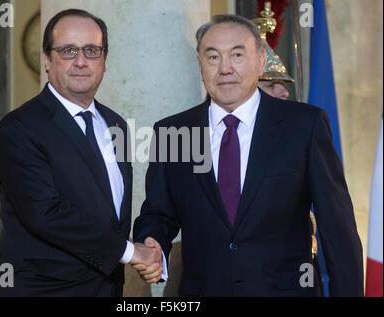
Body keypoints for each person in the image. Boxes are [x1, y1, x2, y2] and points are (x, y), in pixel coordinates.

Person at [133, 14, 363, 296]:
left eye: (237, 55)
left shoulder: (304, 125)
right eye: (213, 57)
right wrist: (152, 241)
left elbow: (337, 228)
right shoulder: (172, 131)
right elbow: (158, 213)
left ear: (261, 62)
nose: (225, 68)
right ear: (200, 64)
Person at [0, 9, 160, 297]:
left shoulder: (115, 124)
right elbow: (45, 214)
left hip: (106, 289)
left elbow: (104, 212)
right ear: (47, 59)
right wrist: (131, 252)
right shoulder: (18, 128)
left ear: (104, 60)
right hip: (43, 292)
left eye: (92, 51)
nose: (81, 62)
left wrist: (146, 247)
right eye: (68, 50)